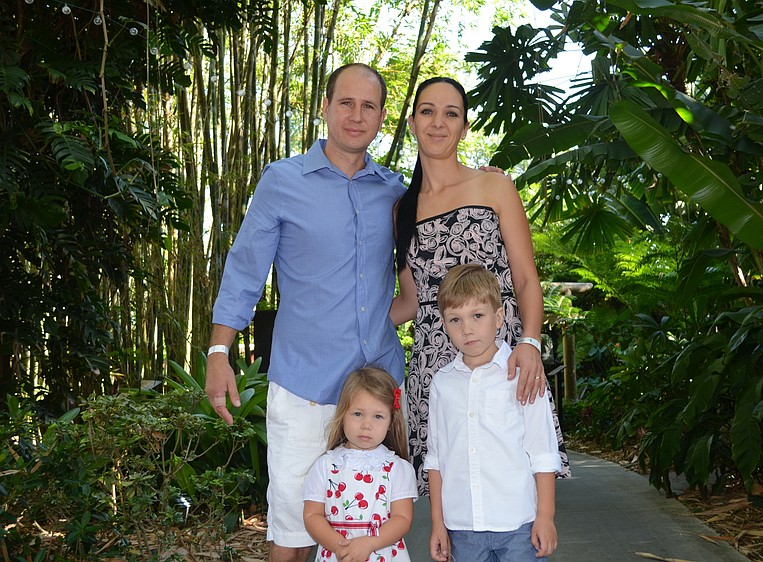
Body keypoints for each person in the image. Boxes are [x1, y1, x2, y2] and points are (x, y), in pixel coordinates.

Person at [206, 63, 407, 562]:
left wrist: (485, 183)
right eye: (346, 103)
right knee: (294, 528)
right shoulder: (282, 180)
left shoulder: (396, 191)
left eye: (368, 106)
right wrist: (218, 351)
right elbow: (245, 268)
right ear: (324, 107)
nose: (356, 115)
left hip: (377, 395)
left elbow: (432, 256)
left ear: (382, 116)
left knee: (372, 529)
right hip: (305, 390)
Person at [390, 76, 570, 494]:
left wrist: (529, 343)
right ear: (413, 123)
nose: (438, 122)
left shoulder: (494, 185)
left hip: (501, 359)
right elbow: (412, 302)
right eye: (427, 111)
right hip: (435, 371)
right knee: (454, 505)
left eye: (451, 113)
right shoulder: (401, 209)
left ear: (464, 126)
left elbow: (525, 278)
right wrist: (350, 322)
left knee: (513, 492)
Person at [426, 264, 560, 561]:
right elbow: (436, 459)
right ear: (444, 324)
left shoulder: (522, 375)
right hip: (462, 528)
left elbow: (542, 450)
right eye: (455, 319)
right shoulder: (442, 384)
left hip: (519, 526)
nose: (467, 329)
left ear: (498, 317)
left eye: (477, 316)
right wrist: (438, 523)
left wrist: (545, 516)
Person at [303, 367, 417, 562]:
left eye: (378, 416)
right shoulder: (325, 466)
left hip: (382, 552)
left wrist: (370, 543)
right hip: (338, 554)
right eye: (357, 414)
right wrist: (340, 547)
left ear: (391, 422)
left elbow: (402, 519)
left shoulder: (398, 469)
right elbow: (312, 515)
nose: (366, 424)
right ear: (343, 414)